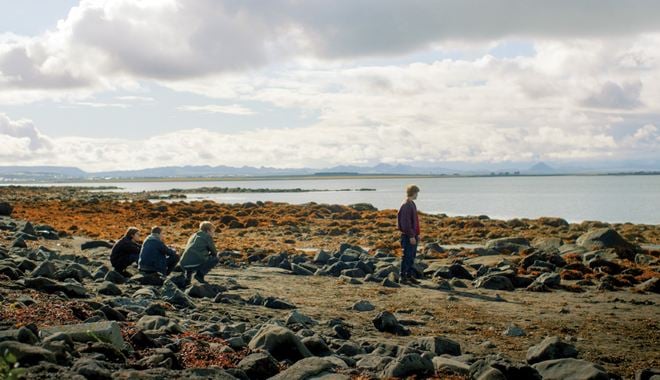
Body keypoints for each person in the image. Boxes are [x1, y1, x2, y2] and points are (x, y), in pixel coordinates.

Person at [397, 184, 421, 285]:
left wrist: (417, 234)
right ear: (413, 192)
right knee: (407, 256)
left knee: (412, 256)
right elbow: (406, 223)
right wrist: (411, 236)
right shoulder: (406, 204)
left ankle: (409, 276)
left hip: (413, 235)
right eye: (417, 193)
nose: (417, 195)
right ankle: (402, 277)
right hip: (407, 236)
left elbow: (414, 221)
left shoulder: (412, 203)